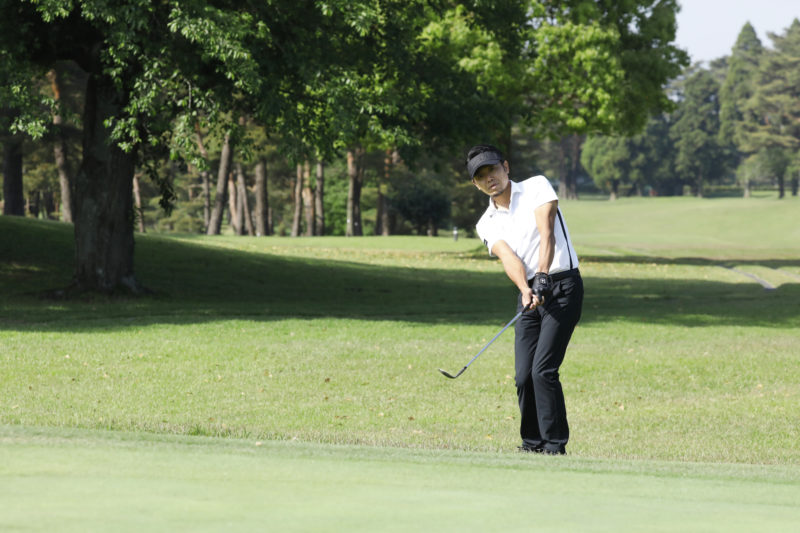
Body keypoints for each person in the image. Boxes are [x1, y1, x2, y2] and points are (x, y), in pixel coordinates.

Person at [467, 144, 583, 455]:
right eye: (481, 176)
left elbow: (547, 233)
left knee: (543, 370)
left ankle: (554, 445)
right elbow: (508, 257)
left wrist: (543, 275)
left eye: (492, 169)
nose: (489, 178)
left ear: (505, 167)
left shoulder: (535, 186)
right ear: (475, 184)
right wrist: (525, 288)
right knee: (522, 376)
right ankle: (532, 444)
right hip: (530, 293)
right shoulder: (486, 222)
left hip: (562, 287)